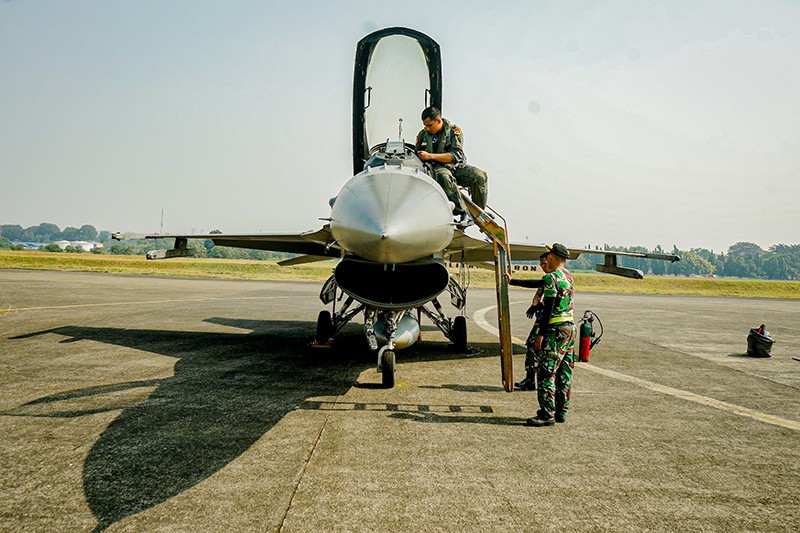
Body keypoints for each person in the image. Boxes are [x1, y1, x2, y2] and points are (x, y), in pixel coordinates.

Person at [526, 243, 577, 427]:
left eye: (549, 255)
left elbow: (548, 309)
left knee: (546, 372)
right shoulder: (569, 277)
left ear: (553, 257)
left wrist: (540, 334)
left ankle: (546, 413)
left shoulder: (551, 278)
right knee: (565, 372)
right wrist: (513, 281)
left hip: (555, 329)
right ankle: (561, 411)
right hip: (570, 327)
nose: (546, 258)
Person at [415, 107, 489, 224]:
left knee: (480, 176)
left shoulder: (454, 132)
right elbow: (417, 155)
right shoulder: (422, 135)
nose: (427, 128)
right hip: (436, 169)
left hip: (455, 167)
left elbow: (455, 156)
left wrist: (430, 156)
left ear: (438, 121)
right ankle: (463, 212)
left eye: (430, 125)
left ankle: (478, 213)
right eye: (425, 125)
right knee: (444, 177)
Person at [511, 251, 551, 391]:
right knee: (533, 345)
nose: (543, 266)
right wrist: (534, 305)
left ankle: (534, 380)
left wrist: (512, 281)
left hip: (551, 320)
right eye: (541, 264)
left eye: (545, 263)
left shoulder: (553, 279)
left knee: (535, 345)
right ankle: (530, 379)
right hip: (544, 318)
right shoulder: (546, 278)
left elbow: (532, 284)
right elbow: (538, 294)